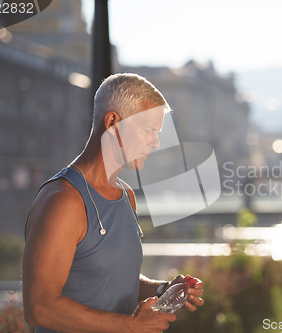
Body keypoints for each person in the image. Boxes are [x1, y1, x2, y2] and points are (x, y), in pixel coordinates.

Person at [23, 73, 204, 333]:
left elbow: (115, 280)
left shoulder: (126, 196)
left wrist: (165, 289)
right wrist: (130, 326)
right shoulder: (63, 201)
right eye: (148, 130)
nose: (155, 142)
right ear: (112, 122)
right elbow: (38, 307)